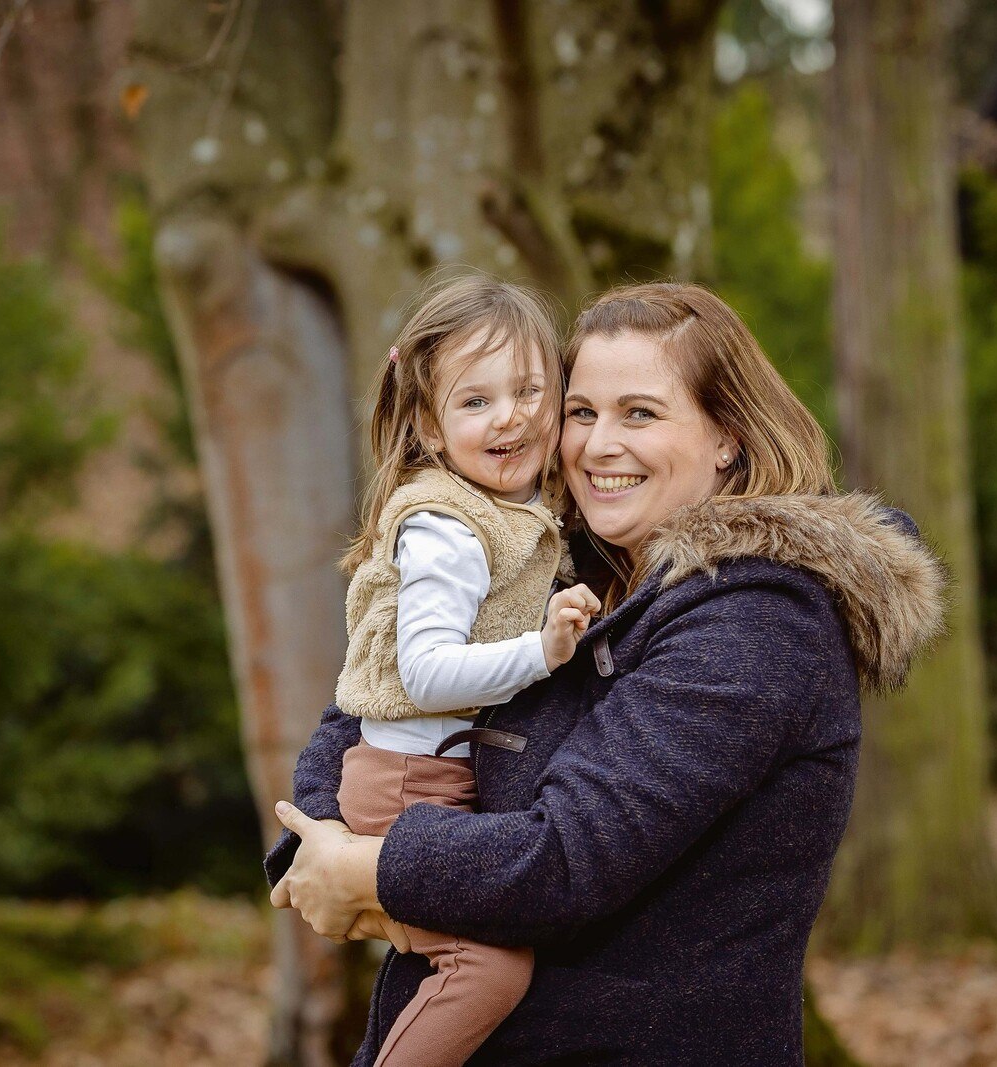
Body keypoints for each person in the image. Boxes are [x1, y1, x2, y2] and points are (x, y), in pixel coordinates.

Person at [268, 282, 947, 1065]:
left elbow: (562, 860)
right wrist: (315, 842)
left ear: (727, 434)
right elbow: (372, 693)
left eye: (641, 413)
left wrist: (371, 868)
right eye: (582, 412)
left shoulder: (757, 620)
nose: (597, 445)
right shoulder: (558, 569)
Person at [292, 274, 601, 1067]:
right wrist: (545, 652)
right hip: (408, 779)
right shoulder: (446, 528)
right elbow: (424, 673)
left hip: (431, 773)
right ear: (429, 425)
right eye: (475, 401)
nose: (511, 416)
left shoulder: (515, 512)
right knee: (488, 965)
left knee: (462, 954)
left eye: (531, 390)